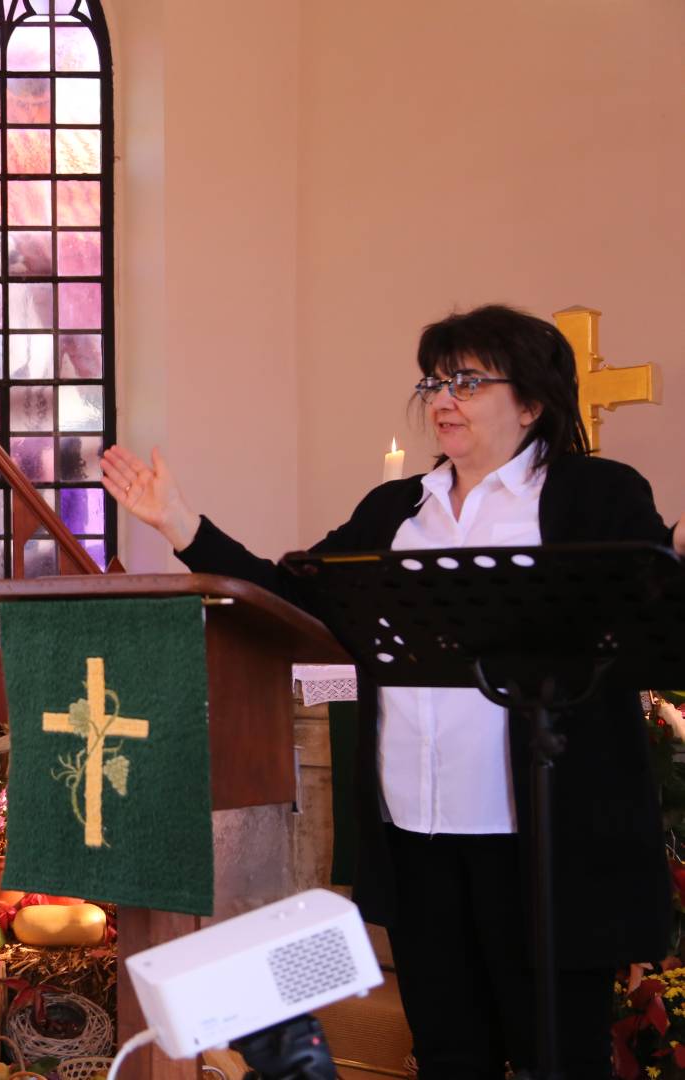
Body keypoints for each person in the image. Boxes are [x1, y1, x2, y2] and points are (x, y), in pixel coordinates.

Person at [100, 304, 685, 1078]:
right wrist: (182, 525)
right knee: (447, 1054)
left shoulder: (593, 494)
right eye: (435, 381)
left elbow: (645, 605)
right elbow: (294, 596)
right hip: (419, 834)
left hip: (545, 843)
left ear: (533, 402)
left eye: (468, 381)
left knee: (556, 1056)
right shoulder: (395, 510)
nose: (442, 397)